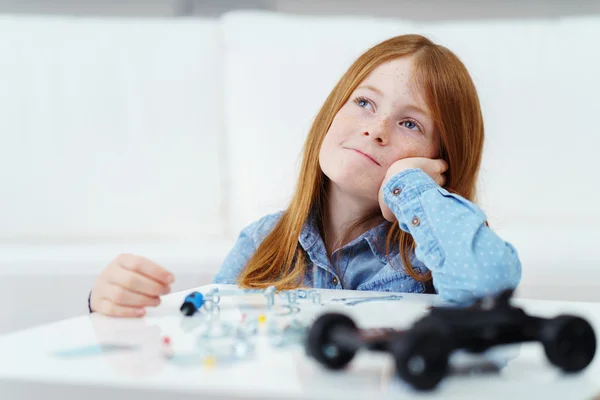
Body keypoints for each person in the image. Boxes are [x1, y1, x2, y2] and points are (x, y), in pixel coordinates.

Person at [89, 34, 521, 317]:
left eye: (411, 124)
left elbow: (487, 290)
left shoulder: (435, 255)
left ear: (440, 162)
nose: (376, 128)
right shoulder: (262, 242)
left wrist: (413, 187)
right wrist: (109, 305)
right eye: (365, 103)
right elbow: (202, 331)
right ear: (332, 113)